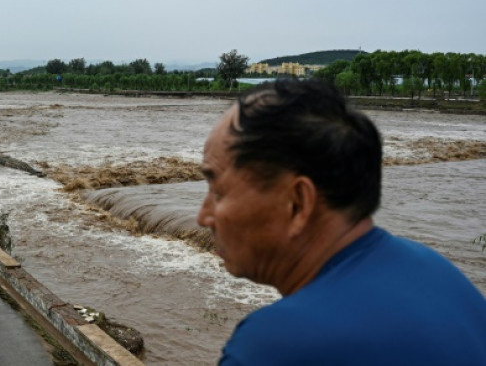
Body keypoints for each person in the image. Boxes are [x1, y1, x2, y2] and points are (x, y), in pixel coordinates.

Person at [196, 78, 486, 365]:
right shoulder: (438, 272)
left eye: (218, 191)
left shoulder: (277, 345)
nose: (203, 217)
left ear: (298, 203)